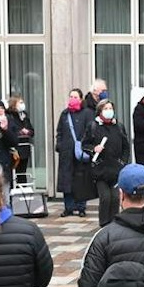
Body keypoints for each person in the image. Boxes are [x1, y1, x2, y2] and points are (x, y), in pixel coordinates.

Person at [85, 98, 131, 227]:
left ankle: (114, 223)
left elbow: (126, 147)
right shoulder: (93, 126)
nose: (109, 111)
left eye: (110, 108)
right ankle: (104, 224)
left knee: (116, 198)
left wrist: (123, 162)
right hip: (100, 170)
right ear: (100, 111)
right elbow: (85, 144)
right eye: (105, 109)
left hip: (116, 170)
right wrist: (94, 149)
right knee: (105, 198)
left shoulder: (119, 126)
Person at [57, 88, 94, 218]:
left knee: (81, 180)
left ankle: (81, 207)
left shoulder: (87, 113)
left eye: (75, 97)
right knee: (66, 181)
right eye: (70, 96)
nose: (72, 99)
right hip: (66, 153)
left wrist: (86, 147)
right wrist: (60, 146)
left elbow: (90, 131)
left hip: (80, 153)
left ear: (81, 99)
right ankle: (68, 207)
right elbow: (59, 132)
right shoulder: (64, 114)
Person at [0, 98, 24, 187]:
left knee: (5, 197)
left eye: (2, 108)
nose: (0, 111)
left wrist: (6, 130)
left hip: (5, 165)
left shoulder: (9, 122)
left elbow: (14, 141)